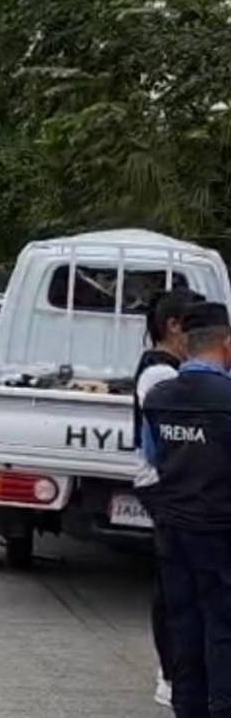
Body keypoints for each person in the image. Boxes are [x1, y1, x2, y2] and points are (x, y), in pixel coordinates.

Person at [141, 301, 231, 717]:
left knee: (183, 626)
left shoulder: (160, 397)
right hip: (220, 531)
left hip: (172, 530)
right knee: (223, 631)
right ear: (226, 344)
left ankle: (187, 708)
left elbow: (152, 456)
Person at [133, 288, 205, 709]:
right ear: (174, 326)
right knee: (173, 584)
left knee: (176, 579)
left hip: (165, 483)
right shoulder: (160, 374)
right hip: (160, 483)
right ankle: (170, 671)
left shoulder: (167, 368)